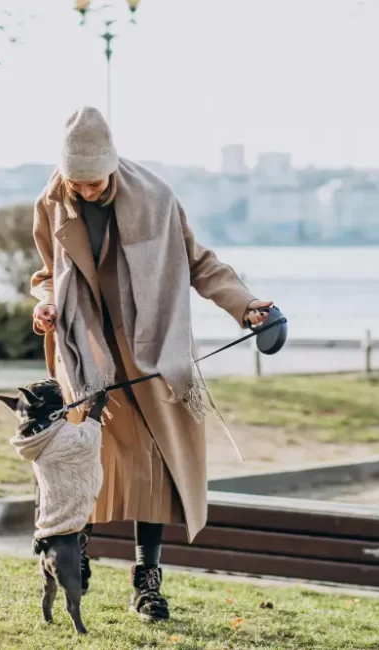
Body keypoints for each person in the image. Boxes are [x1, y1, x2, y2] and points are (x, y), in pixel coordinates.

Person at [31, 106, 272, 623]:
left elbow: (198, 262)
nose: (88, 191)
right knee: (84, 458)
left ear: (112, 167)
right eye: (79, 183)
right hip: (85, 349)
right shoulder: (52, 201)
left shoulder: (156, 197)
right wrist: (46, 302)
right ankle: (78, 554)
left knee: (155, 469)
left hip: (152, 352)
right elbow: (47, 272)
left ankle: (147, 580)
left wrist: (245, 305)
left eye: (95, 182)